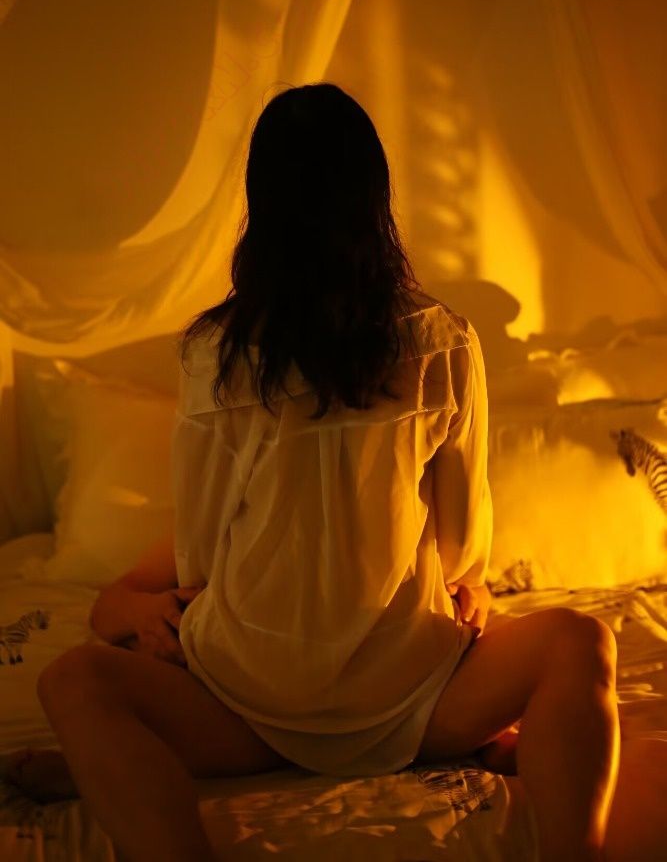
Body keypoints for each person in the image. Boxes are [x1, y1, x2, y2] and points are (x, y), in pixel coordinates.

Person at [9, 83, 620, 862]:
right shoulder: (442, 341)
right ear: (373, 199)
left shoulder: (213, 355)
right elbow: (463, 545)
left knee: (76, 684)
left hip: (249, 705)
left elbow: (199, 555)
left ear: (262, 203)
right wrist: (454, 586)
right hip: (408, 699)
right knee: (579, 643)